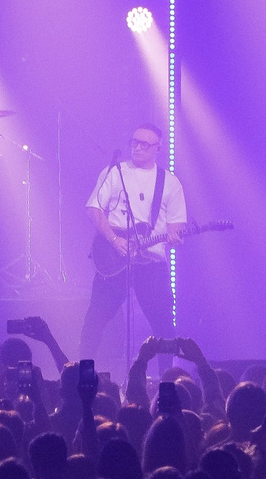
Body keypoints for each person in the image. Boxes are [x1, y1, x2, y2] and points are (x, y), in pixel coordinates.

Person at [80, 122, 189, 360]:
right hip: (113, 257)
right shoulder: (114, 171)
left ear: (157, 148)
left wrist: (174, 238)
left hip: (150, 262)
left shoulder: (170, 182)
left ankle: (167, 383)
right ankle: (81, 375)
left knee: (164, 326)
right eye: (134, 142)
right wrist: (113, 239)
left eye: (144, 144)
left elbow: (176, 224)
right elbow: (94, 209)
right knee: (95, 320)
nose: (137, 148)